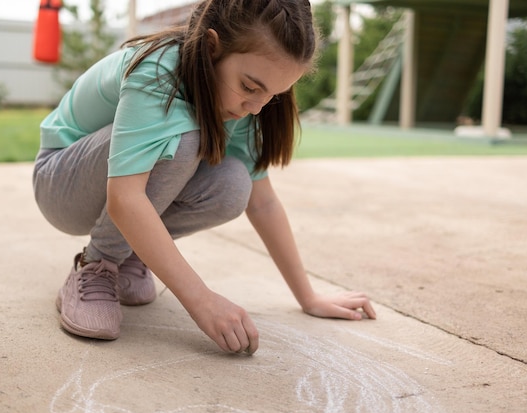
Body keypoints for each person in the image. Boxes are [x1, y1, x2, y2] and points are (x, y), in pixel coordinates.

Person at [32, 0, 376, 355]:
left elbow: (263, 202)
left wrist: (309, 297)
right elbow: (125, 197)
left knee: (233, 185)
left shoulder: (244, 103)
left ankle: (130, 252)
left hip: (111, 188)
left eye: (274, 95)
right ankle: (97, 264)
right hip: (60, 183)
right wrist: (202, 301)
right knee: (184, 141)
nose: (257, 107)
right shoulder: (158, 70)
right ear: (212, 48)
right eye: (250, 87)